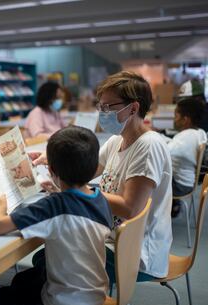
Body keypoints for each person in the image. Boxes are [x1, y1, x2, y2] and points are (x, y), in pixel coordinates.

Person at [29, 71, 173, 284]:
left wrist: (77, 191)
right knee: (46, 257)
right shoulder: (117, 140)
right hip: (113, 239)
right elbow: (86, 170)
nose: (102, 113)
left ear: (133, 108)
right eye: (101, 107)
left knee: (47, 259)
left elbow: (129, 208)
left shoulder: (149, 146)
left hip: (136, 255)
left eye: (108, 107)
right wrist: (53, 159)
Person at [0, 126, 113, 305]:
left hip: (64, 301)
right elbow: (75, 213)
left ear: (51, 169)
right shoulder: (100, 199)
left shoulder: (54, 206)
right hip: (96, 294)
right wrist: (57, 190)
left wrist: (1, 205)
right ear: (95, 167)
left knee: (10, 291)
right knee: (24, 279)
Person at [163, 98, 207, 216]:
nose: (174, 119)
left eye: (176, 115)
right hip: (187, 181)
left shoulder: (185, 137)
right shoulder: (199, 133)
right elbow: (175, 147)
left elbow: (163, 152)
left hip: (179, 185)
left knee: (148, 175)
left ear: (185, 119)